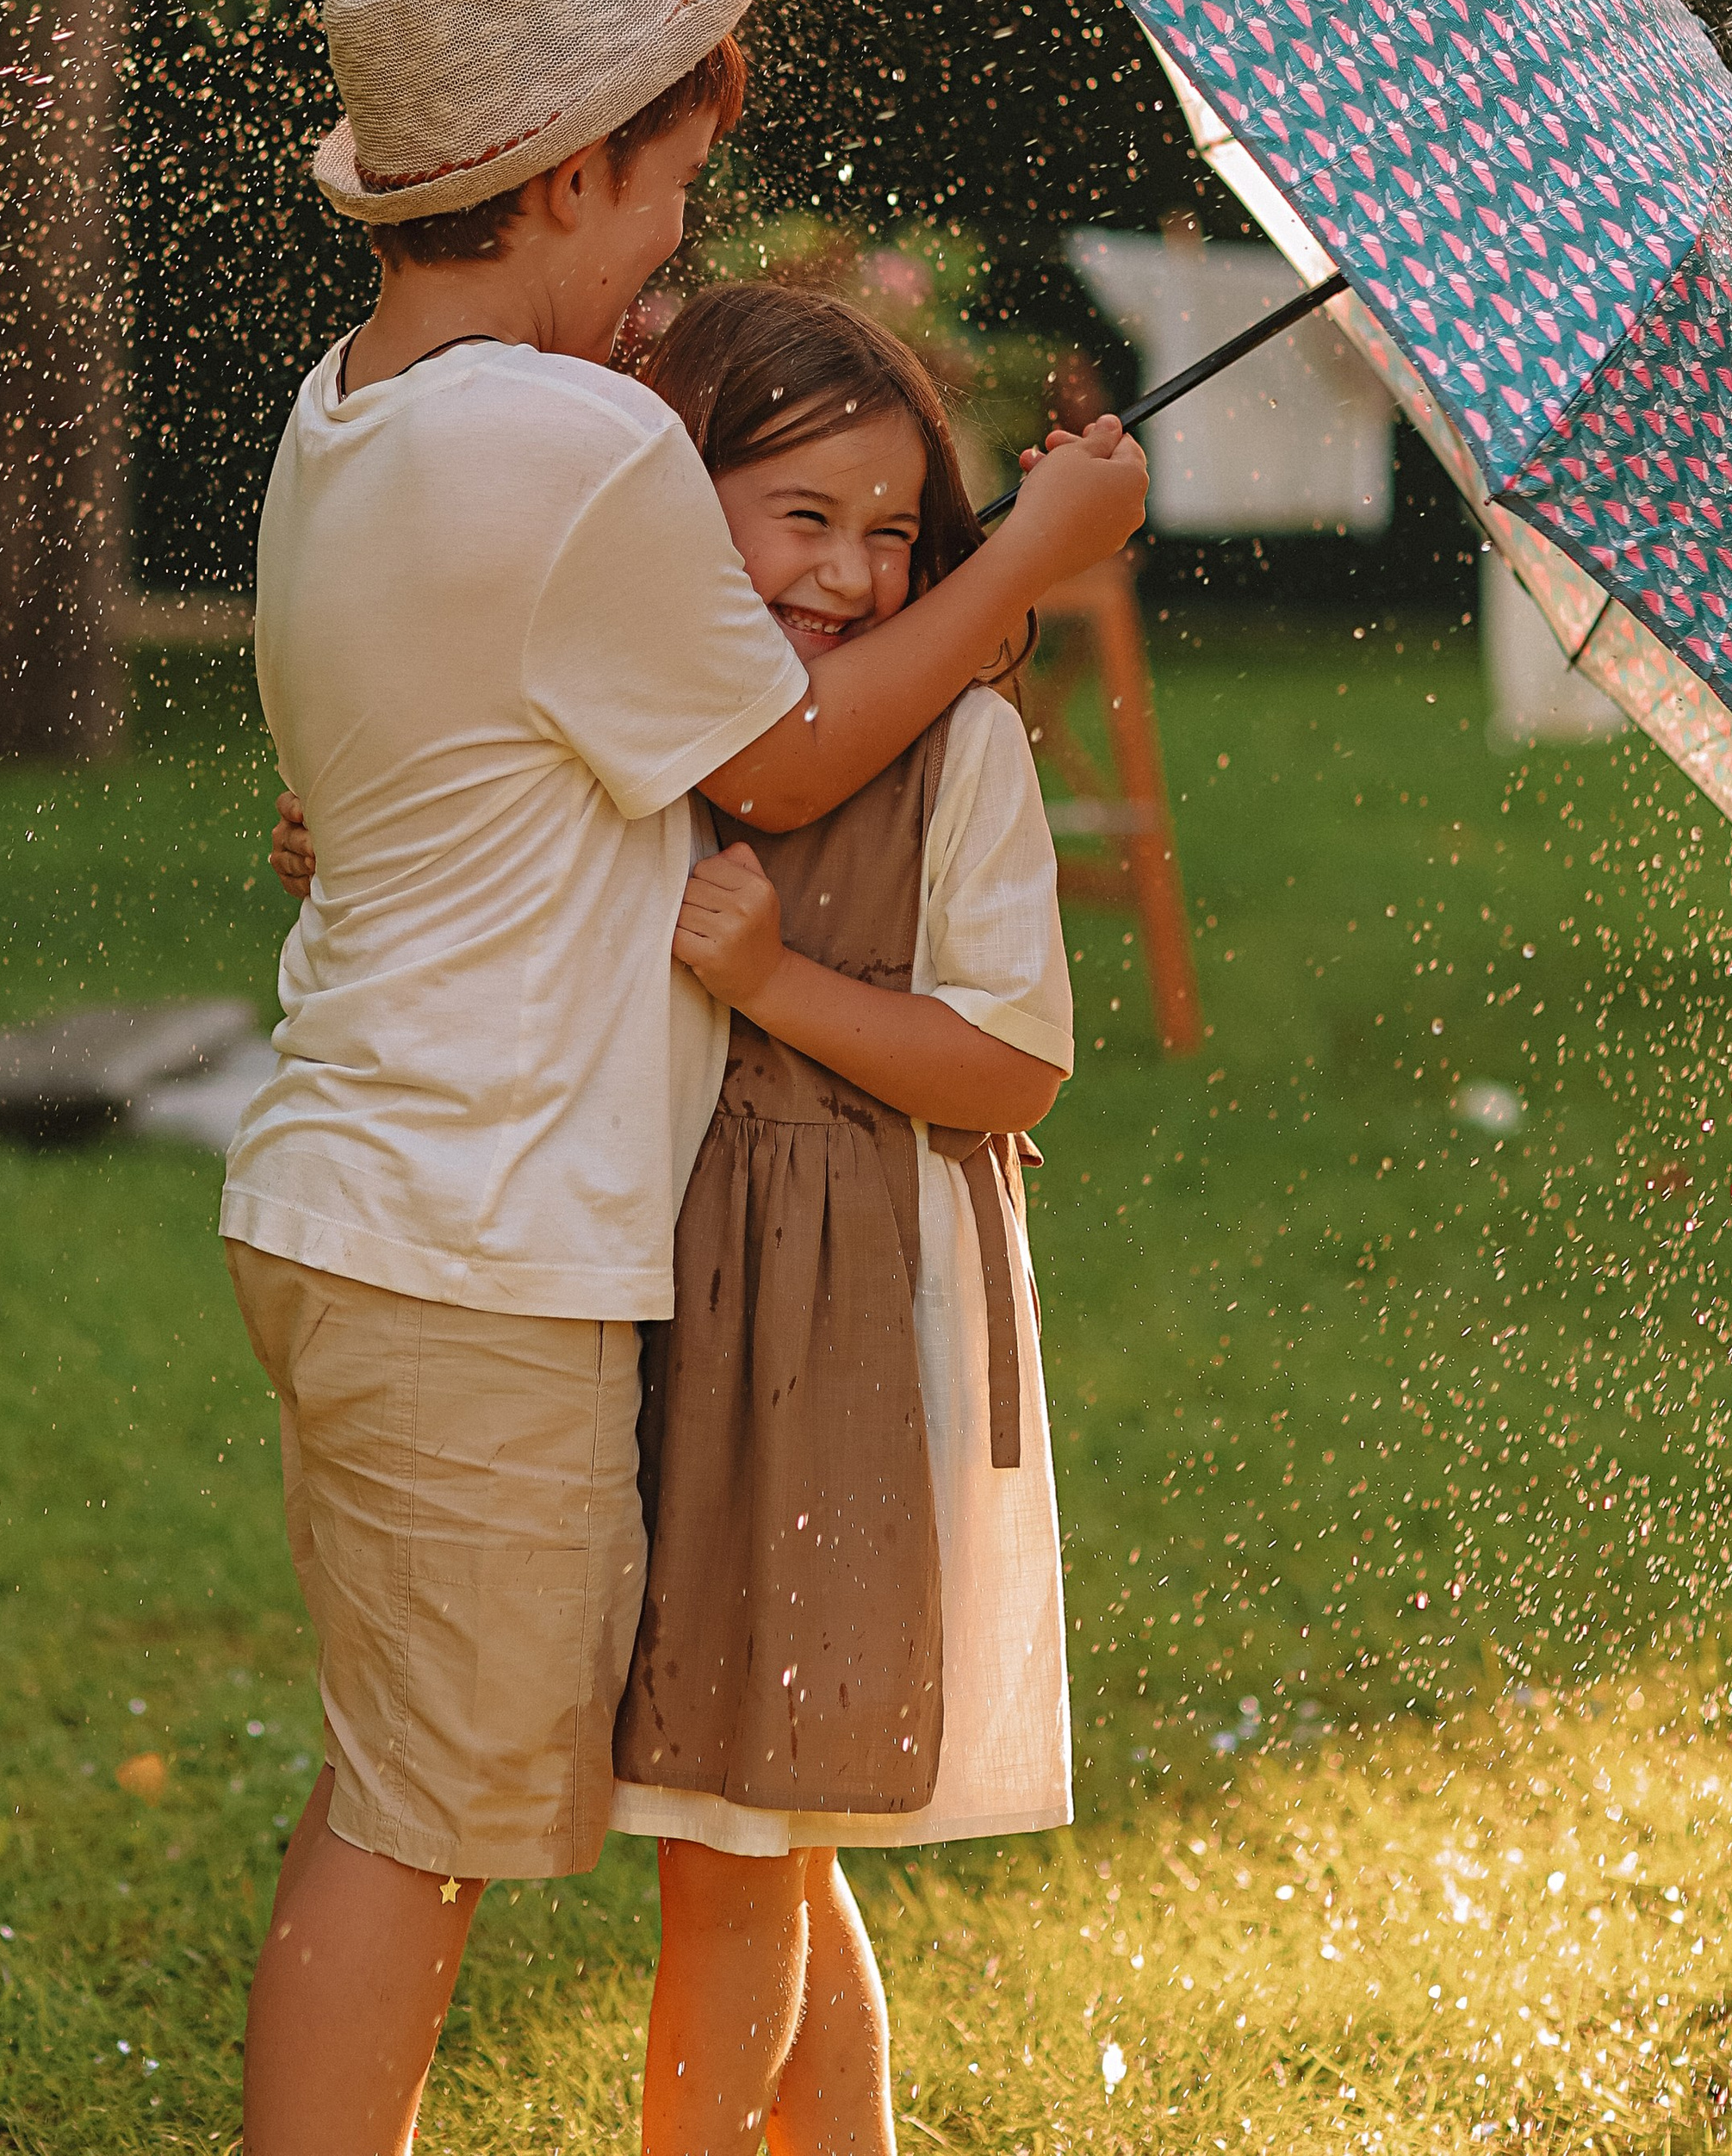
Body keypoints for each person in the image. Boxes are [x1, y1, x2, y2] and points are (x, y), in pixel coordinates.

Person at [228, 0, 1146, 2156]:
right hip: (465, 1235)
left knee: (496, 1792)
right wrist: (1019, 563)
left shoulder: (357, 409)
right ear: (562, 178)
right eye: (665, 190)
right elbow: (797, 748)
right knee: (423, 1819)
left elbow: (448, 763)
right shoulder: (566, 446)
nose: (674, 257)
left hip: (382, 1195)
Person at [612, 283, 1077, 2156]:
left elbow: (1011, 1071)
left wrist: (778, 984)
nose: (854, 574)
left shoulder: (958, 752)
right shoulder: (640, 713)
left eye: (894, 533)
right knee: (761, 1836)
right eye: (803, 518)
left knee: (740, 1850)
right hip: (666, 1298)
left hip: (843, 1336)